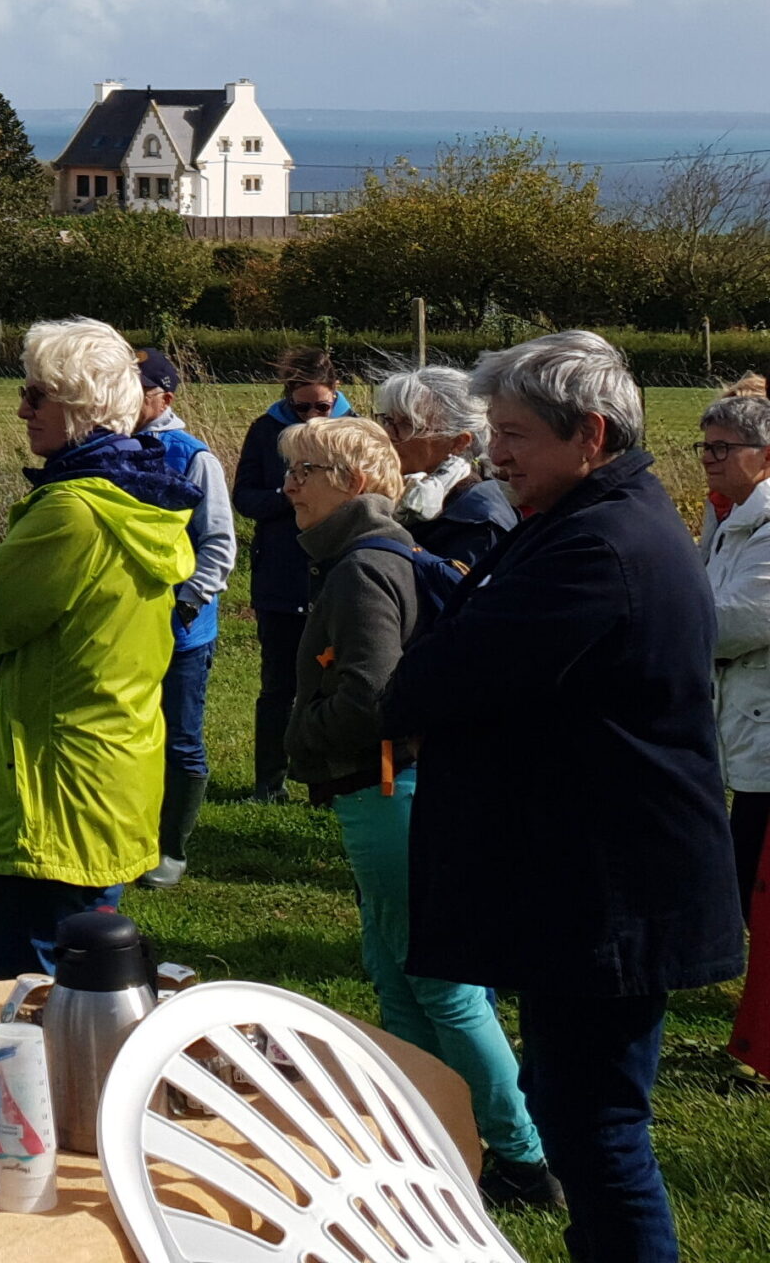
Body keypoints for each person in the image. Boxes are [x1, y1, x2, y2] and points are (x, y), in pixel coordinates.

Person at [384, 331, 742, 1263]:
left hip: (613, 891)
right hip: (591, 878)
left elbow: (431, 685)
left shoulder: (598, 546)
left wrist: (424, 666)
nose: (493, 452)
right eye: (492, 430)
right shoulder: (588, 520)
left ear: (589, 434)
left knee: (600, 1129)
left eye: (512, 433)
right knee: (575, 1106)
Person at [279, 413, 557, 1210]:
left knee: (439, 981)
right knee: (395, 969)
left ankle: (524, 1160)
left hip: (391, 789)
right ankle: (434, 1131)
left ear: (355, 485)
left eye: (305, 472)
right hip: (385, 790)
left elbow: (371, 693)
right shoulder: (361, 556)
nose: (289, 486)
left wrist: (299, 738)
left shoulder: (362, 569)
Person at [0, 318, 198, 980]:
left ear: (84, 406)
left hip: (50, 784)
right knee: (87, 974)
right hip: (115, 769)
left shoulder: (72, 512)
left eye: (38, 395)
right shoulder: (146, 500)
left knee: (19, 999)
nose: (21, 408)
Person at [129, 349, 233, 891]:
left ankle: (172, 848)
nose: (127, 396)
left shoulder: (191, 455)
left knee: (180, 738)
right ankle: (133, 837)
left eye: (139, 389)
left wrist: (186, 602)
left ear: (164, 399)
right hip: (124, 626)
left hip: (182, 629)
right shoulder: (113, 446)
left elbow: (218, 542)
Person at [231, 346, 349, 801]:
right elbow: (245, 498)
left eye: (323, 406)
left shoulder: (354, 431)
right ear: (287, 399)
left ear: (337, 395)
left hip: (336, 573)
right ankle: (268, 784)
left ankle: (326, 786)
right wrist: (289, 495)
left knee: (330, 684)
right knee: (278, 685)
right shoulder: (265, 431)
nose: (313, 417)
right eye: (302, 408)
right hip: (280, 575)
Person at [697, 389, 770, 918]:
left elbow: (735, 620)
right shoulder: (734, 516)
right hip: (745, 715)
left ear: (765, 456)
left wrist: (663, 619)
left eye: (723, 448)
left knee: (752, 868)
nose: (707, 458)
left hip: (763, 723)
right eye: (706, 447)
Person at [369, 363, 514, 574]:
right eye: (387, 420)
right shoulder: (406, 493)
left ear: (458, 442)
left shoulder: (478, 523)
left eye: (408, 424)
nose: (389, 434)